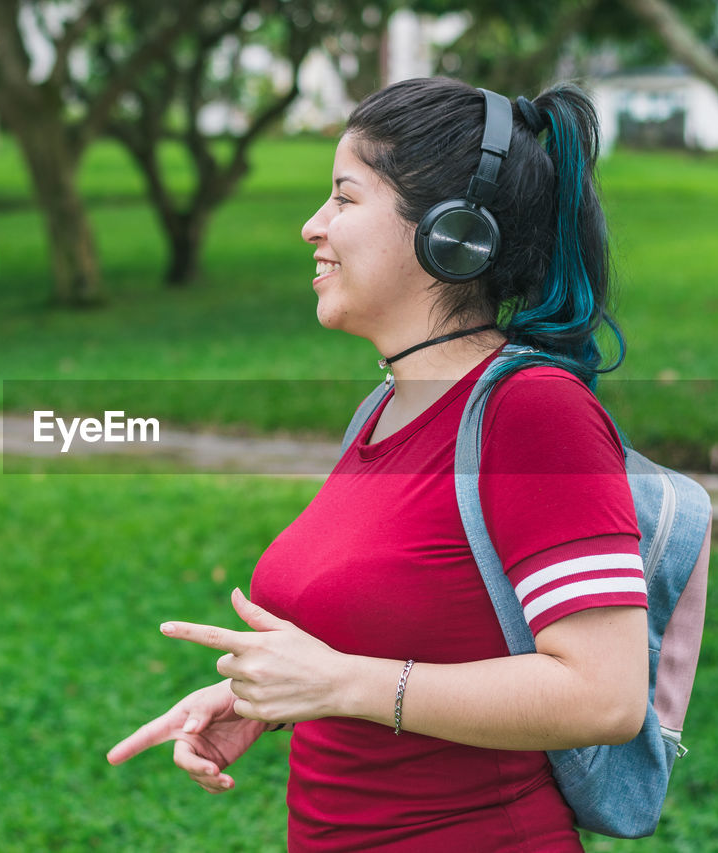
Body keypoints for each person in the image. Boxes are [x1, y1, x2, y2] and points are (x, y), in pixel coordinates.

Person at [108, 77, 651, 852]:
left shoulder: (533, 413)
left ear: (451, 234)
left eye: (344, 198)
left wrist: (343, 683)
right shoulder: (387, 407)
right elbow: (411, 627)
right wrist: (265, 696)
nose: (311, 226)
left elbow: (604, 694)